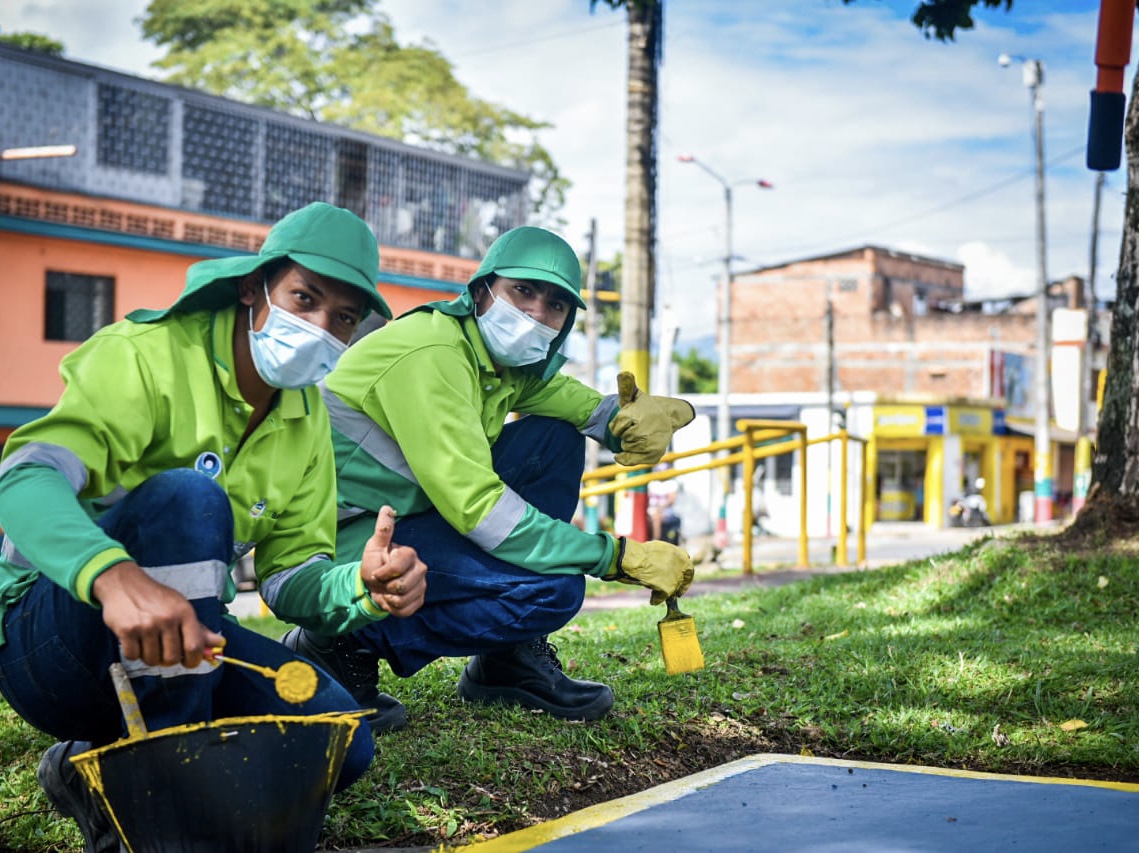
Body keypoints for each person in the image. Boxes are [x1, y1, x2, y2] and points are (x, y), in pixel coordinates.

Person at [0, 202, 427, 853]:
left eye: (342, 317)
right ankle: (159, 819)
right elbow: (23, 478)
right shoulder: (146, 354)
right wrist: (112, 576)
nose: (319, 327)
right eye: (304, 298)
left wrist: (360, 584)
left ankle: (89, 768)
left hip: (186, 646)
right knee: (189, 497)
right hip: (47, 636)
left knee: (339, 739)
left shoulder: (307, 416)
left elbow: (290, 578)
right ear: (254, 288)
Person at [282, 225, 697, 725]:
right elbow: (481, 509)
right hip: (341, 543)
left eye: (556, 305)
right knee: (553, 588)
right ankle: (337, 645)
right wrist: (614, 556)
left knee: (554, 436)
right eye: (522, 291)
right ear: (481, 292)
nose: (536, 315)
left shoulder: (501, 364)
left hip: (403, 517)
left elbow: (575, 405)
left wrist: (623, 419)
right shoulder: (433, 354)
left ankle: (505, 663)